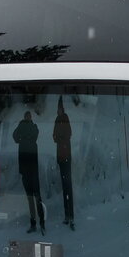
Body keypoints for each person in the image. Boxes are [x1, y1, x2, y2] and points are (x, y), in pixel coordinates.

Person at [13, 111, 44, 233]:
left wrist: (22, 134)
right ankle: (38, 223)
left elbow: (16, 137)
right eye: (28, 116)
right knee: (34, 196)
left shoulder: (29, 127)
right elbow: (16, 137)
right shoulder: (31, 127)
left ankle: (38, 223)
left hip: (28, 169)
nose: (28, 118)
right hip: (29, 169)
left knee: (33, 197)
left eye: (28, 117)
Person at [53, 97, 75, 230]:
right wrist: (58, 138)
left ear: (62, 109)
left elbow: (68, 134)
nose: (58, 110)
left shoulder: (65, 118)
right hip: (60, 156)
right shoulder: (57, 120)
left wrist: (60, 138)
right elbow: (54, 136)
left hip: (66, 156)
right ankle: (67, 215)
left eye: (60, 108)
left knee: (68, 187)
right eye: (57, 108)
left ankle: (71, 216)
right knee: (64, 187)